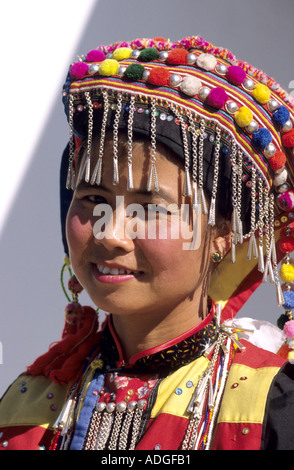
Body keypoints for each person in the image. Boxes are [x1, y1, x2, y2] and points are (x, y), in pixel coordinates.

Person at [1, 34, 294, 451]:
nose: (111, 233)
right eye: (94, 199)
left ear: (224, 233)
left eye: (151, 209)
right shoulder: (26, 404)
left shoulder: (268, 407)